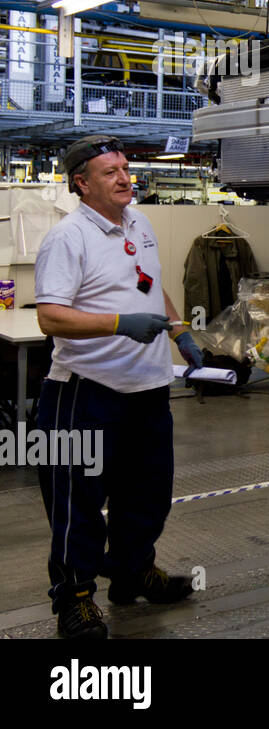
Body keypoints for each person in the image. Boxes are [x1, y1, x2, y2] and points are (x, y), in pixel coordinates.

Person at [33, 134, 206, 638]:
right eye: (110, 172)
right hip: (85, 392)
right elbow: (49, 316)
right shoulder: (68, 237)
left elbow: (146, 284)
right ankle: (74, 598)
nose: (125, 178)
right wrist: (118, 324)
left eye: (126, 168)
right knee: (77, 503)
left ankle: (132, 572)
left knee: (148, 495)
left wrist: (179, 330)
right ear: (82, 184)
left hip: (148, 389)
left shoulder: (140, 223)